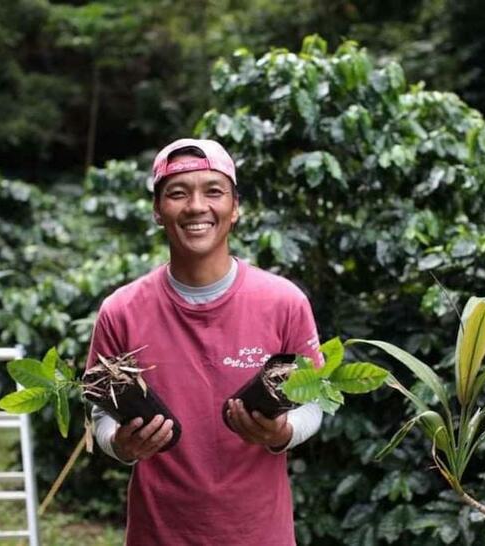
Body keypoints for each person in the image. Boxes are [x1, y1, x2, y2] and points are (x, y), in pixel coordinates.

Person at [86, 138, 324, 545]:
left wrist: (280, 434)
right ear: (158, 211)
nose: (196, 206)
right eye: (178, 193)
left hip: (258, 534)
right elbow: (100, 413)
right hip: (158, 534)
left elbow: (314, 402)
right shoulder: (121, 311)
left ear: (235, 208)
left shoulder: (284, 302)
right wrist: (120, 445)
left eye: (213, 191)